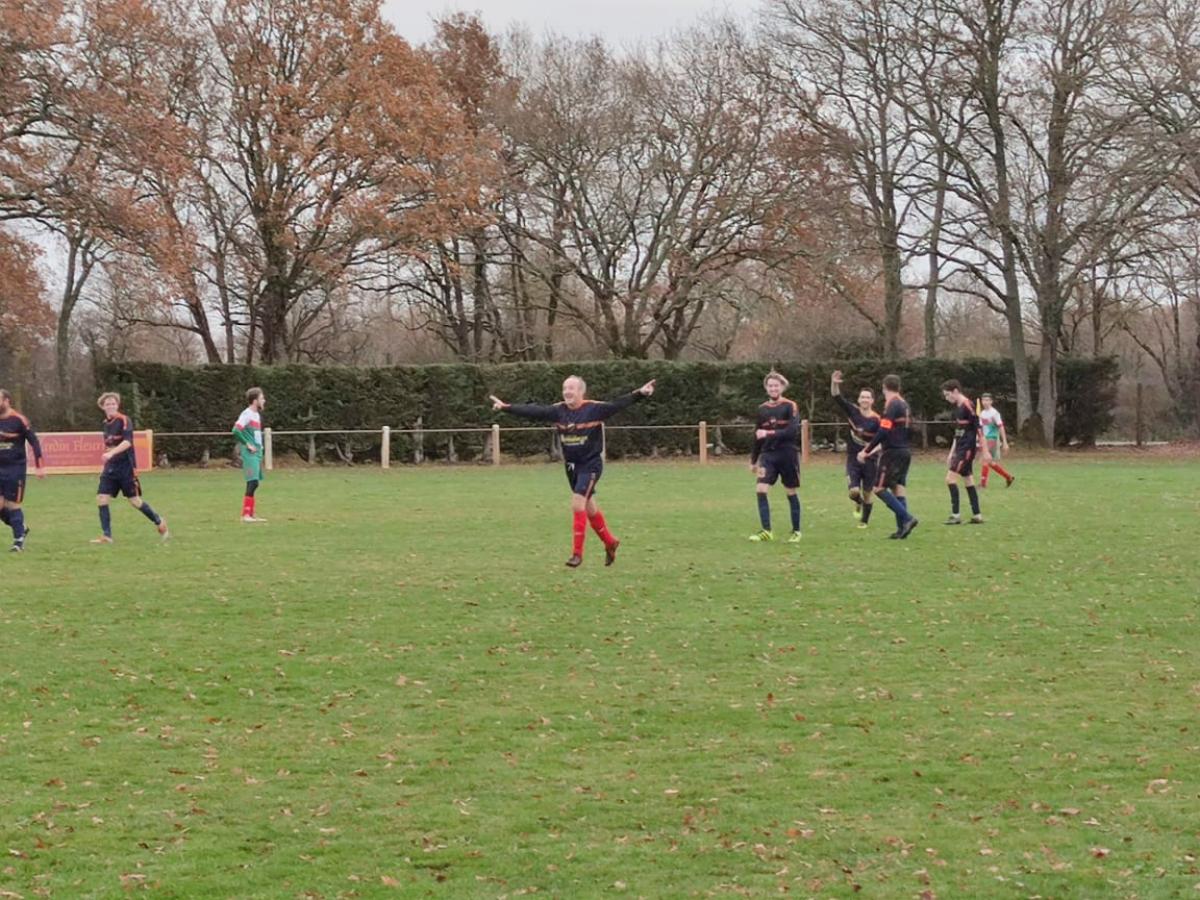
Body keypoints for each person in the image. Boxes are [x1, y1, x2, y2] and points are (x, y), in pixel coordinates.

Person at [490, 376, 656, 567]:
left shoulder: (594, 409)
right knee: (589, 507)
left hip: (590, 465)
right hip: (571, 466)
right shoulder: (558, 411)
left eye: (571, 388)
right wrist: (506, 407)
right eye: (565, 388)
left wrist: (640, 394)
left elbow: (618, 404)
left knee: (577, 504)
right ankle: (610, 542)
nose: (567, 392)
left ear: (581, 392)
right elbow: (534, 411)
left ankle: (577, 554)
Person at [91, 392, 169, 544]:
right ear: (103, 407)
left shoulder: (124, 420)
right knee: (101, 498)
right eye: (108, 404)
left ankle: (159, 521)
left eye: (113, 403)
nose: (111, 406)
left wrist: (112, 453)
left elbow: (127, 442)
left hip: (126, 467)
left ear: (117, 405)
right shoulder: (105, 424)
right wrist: (108, 454)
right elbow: (110, 444)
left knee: (134, 500)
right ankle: (107, 536)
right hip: (111, 467)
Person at [858, 374, 919, 539]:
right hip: (905, 451)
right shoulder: (905, 404)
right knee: (898, 489)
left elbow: (884, 430)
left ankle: (908, 518)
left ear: (884, 387)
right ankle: (902, 530)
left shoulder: (891, 404)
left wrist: (867, 450)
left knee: (878, 489)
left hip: (892, 453)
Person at [747, 371, 802, 543]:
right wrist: (753, 460)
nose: (773, 388)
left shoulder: (790, 406)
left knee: (790, 491)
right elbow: (757, 435)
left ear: (782, 387)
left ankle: (796, 531)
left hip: (787, 454)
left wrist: (769, 432)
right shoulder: (762, 409)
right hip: (768, 455)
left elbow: (791, 431)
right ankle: (766, 530)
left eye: (776, 385)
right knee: (761, 489)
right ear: (766, 388)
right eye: (770, 386)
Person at [830, 371, 881, 529]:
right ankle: (857, 502)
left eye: (867, 397)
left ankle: (864, 521)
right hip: (852, 460)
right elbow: (836, 396)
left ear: (872, 401)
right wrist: (834, 383)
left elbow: (882, 443)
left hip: (870, 461)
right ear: (858, 399)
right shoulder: (852, 411)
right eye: (862, 397)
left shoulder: (877, 420)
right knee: (853, 491)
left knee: (867, 494)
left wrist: (868, 452)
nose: (864, 400)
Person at [0, 389, 45, 552]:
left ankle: (18, 540)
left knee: (12, 505)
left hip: (15, 469)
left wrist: (40, 466)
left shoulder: (19, 420)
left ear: (6, 401)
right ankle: (21, 527)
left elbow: (34, 441)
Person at [940, 380, 990, 525]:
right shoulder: (957, 408)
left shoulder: (968, 405)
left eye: (948, 394)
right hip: (961, 447)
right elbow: (958, 432)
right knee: (968, 478)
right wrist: (951, 452)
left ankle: (955, 515)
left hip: (967, 448)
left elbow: (979, 429)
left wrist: (985, 450)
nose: (946, 398)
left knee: (950, 479)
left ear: (956, 391)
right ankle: (977, 515)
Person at [233, 387, 267, 523]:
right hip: (249, 453)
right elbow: (236, 430)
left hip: (256, 453)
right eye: (261, 398)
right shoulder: (246, 414)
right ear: (255, 401)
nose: (264, 400)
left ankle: (251, 514)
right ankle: (246, 515)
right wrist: (247, 444)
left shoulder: (256, 415)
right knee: (252, 482)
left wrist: (260, 447)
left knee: (255, 483)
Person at [978, 394, 1015, 488]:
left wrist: (1005, 442)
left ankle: (982, 484)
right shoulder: (982, 413)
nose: (985, 402)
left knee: (984, 459)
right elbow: (981, 428)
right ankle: (1008, 477)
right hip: (984, 439)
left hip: (992, 438)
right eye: (983, 400)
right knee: (989, 461)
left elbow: (1001, 427)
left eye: (987, 400)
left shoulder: (994, 413)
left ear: (991, 401)